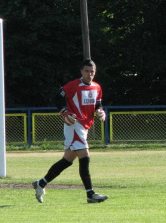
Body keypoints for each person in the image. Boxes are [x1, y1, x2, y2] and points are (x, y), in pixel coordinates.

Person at [32, 59, 109, 204]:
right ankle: (90, 194)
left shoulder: (97, 87)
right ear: (81, 71)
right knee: (85, 156)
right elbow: (57, 98)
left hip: (84, 126)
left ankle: (40, 183)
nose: (89, 74)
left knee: (67, 160)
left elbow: (98, 104)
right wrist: (64, 112)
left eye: (92, 71)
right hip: (74, 125)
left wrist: (100, 111)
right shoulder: (73, 86)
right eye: (87, 71)